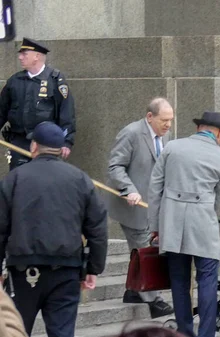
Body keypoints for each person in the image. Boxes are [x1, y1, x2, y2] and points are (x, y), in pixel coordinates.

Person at [0, 122, 107, 337]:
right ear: (60, 149)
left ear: (34, 146)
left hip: (24, 272)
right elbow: (97, 227)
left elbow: (1, 227)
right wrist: (93, 268)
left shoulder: (14, 179)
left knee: (16, 330)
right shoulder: (80, 179)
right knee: (62, 332)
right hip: (66, 271)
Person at [147, 112, 220, 337]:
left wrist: (156, 226)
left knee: (179, 280)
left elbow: (155, 188)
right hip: (203, 223)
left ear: (199, 128)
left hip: (172, 224)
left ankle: (183, 332)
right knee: (207, 280)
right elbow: (219, 200)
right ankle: (206, 334)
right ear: (219, 133)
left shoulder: (172, 148)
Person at [106, 97, 174, 317]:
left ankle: (133, 291)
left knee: (139, 250)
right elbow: (115, 166)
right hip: (132, 204)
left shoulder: (166, 136)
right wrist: (129, 189)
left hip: (153, 205)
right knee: (145, 248)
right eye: (164, 120)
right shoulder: (131, 133)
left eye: (170, 121)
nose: (168, 125)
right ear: (150, 117)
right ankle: (155, 300)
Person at [0, 38, 76, 170]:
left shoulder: (55, 80)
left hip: (46, 144)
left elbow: (66, 113)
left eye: (24, 54)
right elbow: (1, 110)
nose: (20, 57)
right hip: (19, 142)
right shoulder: (15, 81)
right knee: (19, 181)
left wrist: (66, 141)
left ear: (37, 56)